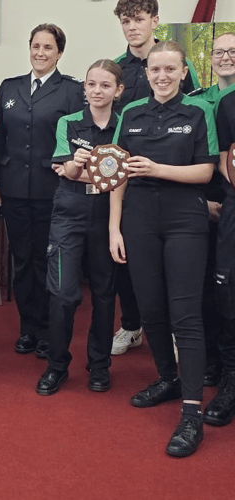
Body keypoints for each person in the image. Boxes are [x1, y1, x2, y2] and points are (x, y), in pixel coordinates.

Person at [109, 41, 218, 457]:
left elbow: (206, 169)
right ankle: (168, 379)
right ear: (147, 72)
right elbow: (115, 172)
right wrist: (114, 228)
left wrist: (157, 169)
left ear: (183, 72)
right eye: (156, 69)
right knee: (150, 309)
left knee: (185, 315)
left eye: (170, 69)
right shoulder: (131, 114)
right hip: (138, 221)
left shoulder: (197, 112)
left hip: (184, 220)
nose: (162, 76)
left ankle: (192, 414)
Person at [110, 0, 200, 355]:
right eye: (126, 21)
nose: (132, 27)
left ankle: (175, 332)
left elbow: (194, 112)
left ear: (155, 21)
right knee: (127, 259)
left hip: (175, 176)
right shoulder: (117, 67)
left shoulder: (179, 62)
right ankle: (132, 325)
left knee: (172, 266)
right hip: (127, 176)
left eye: (139, 20)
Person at [0, 24, 84, 358]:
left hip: (52, 189)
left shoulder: (72, 90)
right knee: (22, 260)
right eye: (35, 46)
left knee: (47, 262)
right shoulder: (10, 87)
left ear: (59, 52)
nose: (40, 53)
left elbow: (78, 137)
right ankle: (27, 328)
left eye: (48, 47)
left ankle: (47, 331)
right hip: (14, 188)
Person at [36, 60, 124, 396]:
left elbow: (124, 178)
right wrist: (75, 165)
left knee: (103, 294)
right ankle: (57, 365)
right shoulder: (68, 122)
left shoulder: (124, 125)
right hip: (69, 212)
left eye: (104, 85)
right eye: (91, 85)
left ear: (118, 91)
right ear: (84, 89)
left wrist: (80, 170)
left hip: (108, 215)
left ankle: (100, 365)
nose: (96, 91)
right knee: (62, 294)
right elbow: (67, 171)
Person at [188, 32, 235, 386]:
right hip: (205, 201)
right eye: (219, 52)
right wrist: (204, 202)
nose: (225, 57)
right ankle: (212, 360)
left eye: (233, 51)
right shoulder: (198, 101)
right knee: (207, 285)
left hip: (232, 202)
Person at [207, 47, 235, 427]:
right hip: (233, 208)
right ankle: (230, 379)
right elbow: (222, 160)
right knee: (227, 290)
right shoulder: (226, 105)